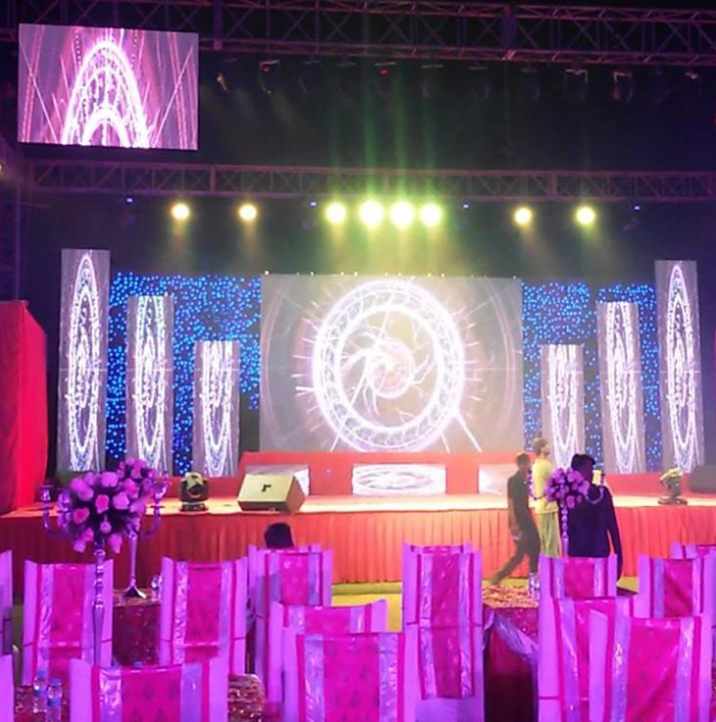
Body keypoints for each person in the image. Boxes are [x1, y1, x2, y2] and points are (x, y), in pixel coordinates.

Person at [566, 454, 623, 578]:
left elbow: (613, 526)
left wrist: (619, 557)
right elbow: (564, 528)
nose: (591, 474)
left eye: (591, 470)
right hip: (578, 557)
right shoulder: (568, 495)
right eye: (587, 470)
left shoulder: (602, 494)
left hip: (600, 554)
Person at [489, 453, 540, 585]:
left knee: (535, 548)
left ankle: (533, 576)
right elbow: (511, 502)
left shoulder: (525, 479)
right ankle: (499, 575)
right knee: (521, 552)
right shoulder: (514, 481)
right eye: (526, 464)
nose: (528, 466)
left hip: (527, 518)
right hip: (519, 520)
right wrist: (513, 523)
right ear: (520, 465)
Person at [531, 437, 560, 557]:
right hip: (548, 507)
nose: (549, 447)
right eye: (547, 445)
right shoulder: (545, 465)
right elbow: (557, 481)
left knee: (544, 542)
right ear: (542, 448)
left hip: (541, 506)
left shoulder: (536, 465)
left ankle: (546, 566)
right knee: (551, 543)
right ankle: (552, 566)